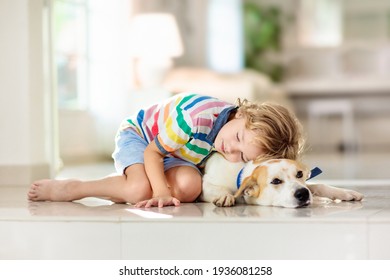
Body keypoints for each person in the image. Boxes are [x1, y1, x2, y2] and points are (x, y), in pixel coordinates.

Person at [28, 92, 304, 208]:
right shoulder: (194, 119)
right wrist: (160, 191)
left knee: (189, 187)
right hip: (141, 138)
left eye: (242, 155)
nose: (230, 150)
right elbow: (152, 153)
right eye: (238, 138)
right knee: (141, 190)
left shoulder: (232, 131)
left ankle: (124, 190)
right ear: (243, 112)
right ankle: (75, 188)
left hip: (175, 155)